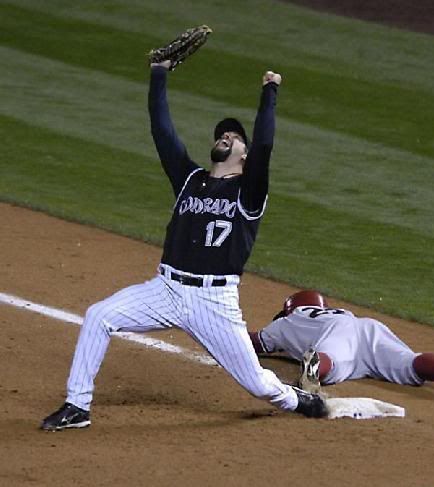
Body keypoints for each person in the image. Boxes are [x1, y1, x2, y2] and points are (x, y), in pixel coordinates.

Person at [40, 61, 329, 431]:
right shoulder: (189, 179)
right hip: (166, 289)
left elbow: (267, 144)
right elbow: (162, 131)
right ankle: (77, 407)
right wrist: (159, 73)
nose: (225, 136)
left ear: (245, 155)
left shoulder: (249, 192)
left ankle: (297, 400)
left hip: (214, 302)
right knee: (99, 316)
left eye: (234, 136)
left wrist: (269, 91)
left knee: (257, 384)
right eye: (222, 134)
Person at [249, 290, 434, 401]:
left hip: (337, 336)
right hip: (366, 327)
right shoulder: (334, 312)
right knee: (408, 361)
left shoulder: (285, 322)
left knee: (333, 361)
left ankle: (316, 366)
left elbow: (255, 342)